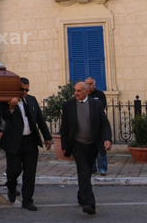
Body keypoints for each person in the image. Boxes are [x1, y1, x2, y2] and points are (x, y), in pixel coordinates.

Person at [60, 81, 112, 216]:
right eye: (75, 90)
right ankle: (89, 203)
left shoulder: (96, 104)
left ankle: (81, 195)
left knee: (87, 172)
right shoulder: (68, 105)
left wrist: (107, 139)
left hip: (93, 145)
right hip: (77, 145)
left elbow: (104, 124)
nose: (76, 93)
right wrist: (65, 146)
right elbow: (64, 126)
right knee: (83, 170)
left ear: (86, 91)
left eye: (79, 91)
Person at [0, 77, 52, 211]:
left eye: (26, 90)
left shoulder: (32, 100)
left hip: (30, 141)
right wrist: (11, 107)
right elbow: (4, 117)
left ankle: (27, 200)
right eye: (21, 89)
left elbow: (39, 119)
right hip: (13, 142)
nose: (24, 92)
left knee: (30, 173)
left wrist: (47, 137)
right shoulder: (7, 101)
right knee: (14, 171)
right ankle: (11, 188)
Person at [85, 77, 108, 175]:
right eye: (87, 84)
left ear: (94, 85)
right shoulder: (83, 95)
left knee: (101, 149)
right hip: (87, 125)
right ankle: (92, 168)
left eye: (90, 84)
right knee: (89, 148)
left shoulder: (100, 94)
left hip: (98, 125)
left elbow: (102, 106)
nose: (89, 86)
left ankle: (102, 168)